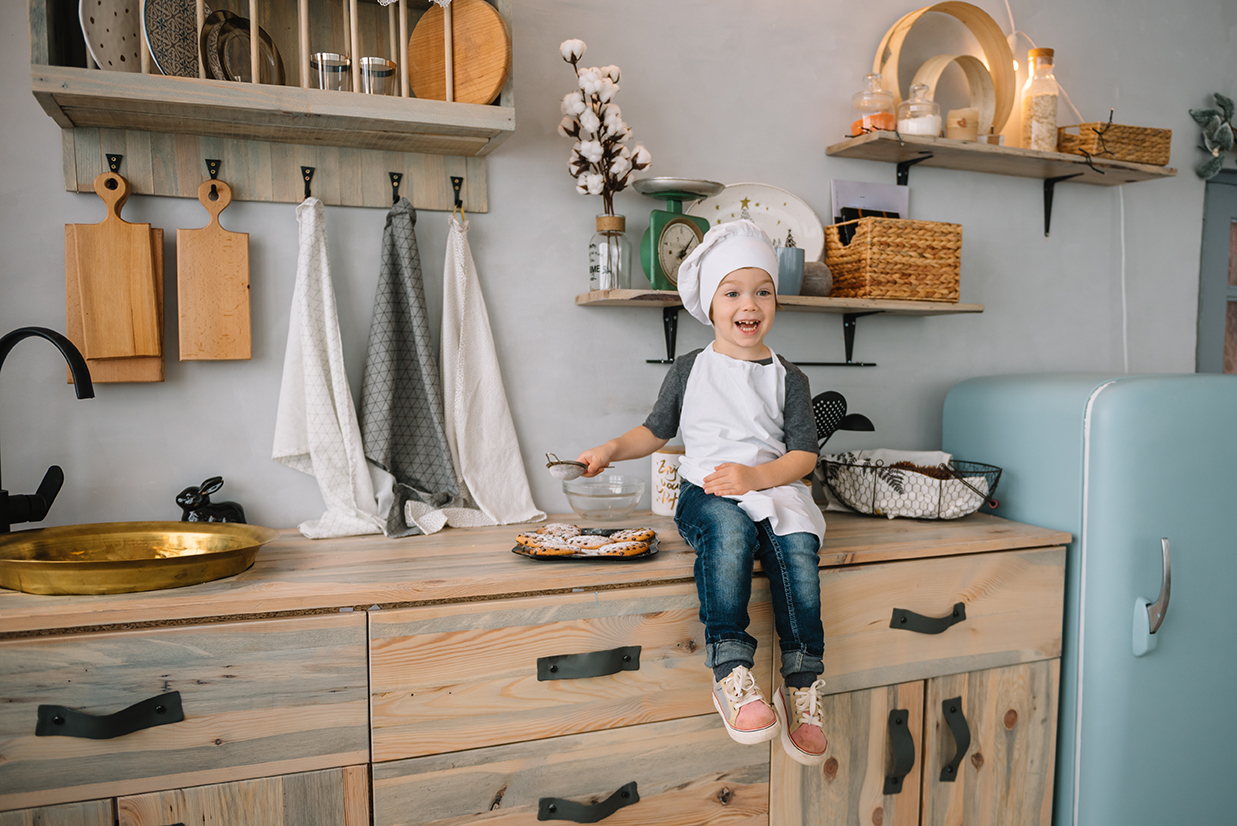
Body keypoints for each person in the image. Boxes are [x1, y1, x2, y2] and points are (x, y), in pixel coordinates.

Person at [577, 219, 828, 766]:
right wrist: (609, 450)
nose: (750, 304)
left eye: (763, 291)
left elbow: (804, 458)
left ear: (776, 302)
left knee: (799, 549)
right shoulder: (690, 369)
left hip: (773, 488)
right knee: (730, 532)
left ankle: (802, 684)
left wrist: (756, 478)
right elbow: (656, 432)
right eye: (733, 292)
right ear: (710, 304)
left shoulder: (792, 377)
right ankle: (731, 671)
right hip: (707, 493)